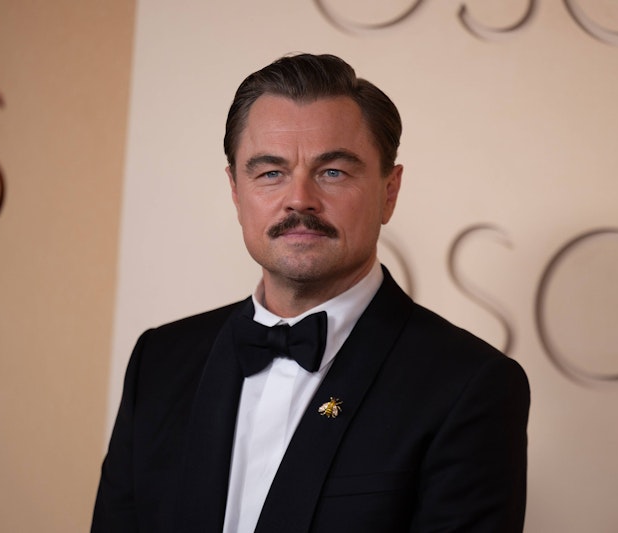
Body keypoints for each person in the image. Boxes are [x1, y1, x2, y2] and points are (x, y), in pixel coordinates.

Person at [92, 53, 530, 532]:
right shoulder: (158, 362)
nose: (299, 199)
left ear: (388, 192)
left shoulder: (469, 386)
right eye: (271, 173)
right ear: (236, 192)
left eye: (333, 172)